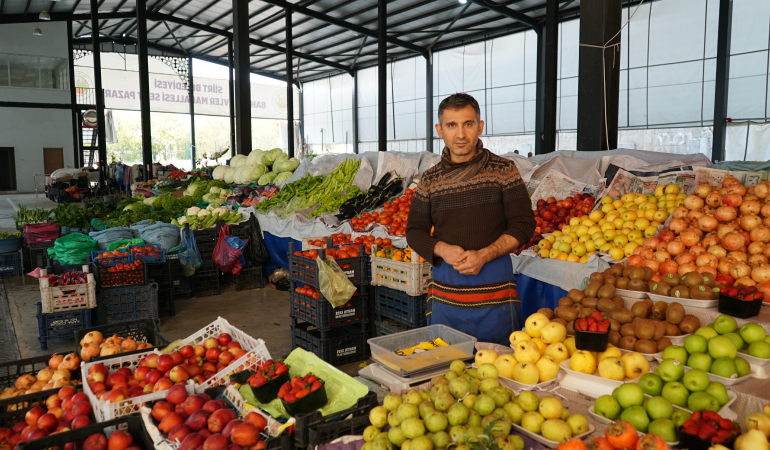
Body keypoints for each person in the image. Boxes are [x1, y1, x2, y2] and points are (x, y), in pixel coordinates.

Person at [405, 93, 536, 345]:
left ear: (480, 126)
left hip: (494, 285)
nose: (461, 134)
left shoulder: (503, 170)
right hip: (447, 287)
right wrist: (442, 249)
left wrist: (484, 255)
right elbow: (414, 231)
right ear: (439, 130)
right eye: (451, 125)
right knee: (448, 364)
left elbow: (523, 223)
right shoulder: (430, 179)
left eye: (468, 124)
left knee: (498, 365)